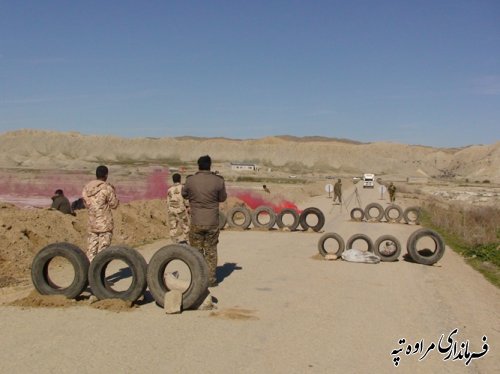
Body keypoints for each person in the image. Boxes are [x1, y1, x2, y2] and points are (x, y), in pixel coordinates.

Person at [182, 155, 227, 287]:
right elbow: (222, 198)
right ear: (210, 165)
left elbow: (184, 194)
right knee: (211, 250)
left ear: (198, 165)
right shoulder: (218, 181)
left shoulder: (190, 180)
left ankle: (198, 279)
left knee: (196, 251)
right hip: (212, 221)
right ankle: (211, 279)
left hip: (196, 221)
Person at [82, 165, 119, 261]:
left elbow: (86, 205)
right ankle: (98, 274)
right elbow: (114, 205)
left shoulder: (87, 188)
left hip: (92, 223)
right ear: (106, 175)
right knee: (103, 253)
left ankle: (88, 273)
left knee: (91, 250)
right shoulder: (106, 188)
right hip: (104, 224)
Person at [167, 173, 190, 244]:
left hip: (171, 210)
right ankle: (186, 241)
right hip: (180, 210)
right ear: (180, 179)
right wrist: (188, 206)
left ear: (173, 180)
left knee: (173, 227)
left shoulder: (169, 190)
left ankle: (174, 242)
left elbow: (168, 201)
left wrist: (169, 209)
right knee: (185, 226)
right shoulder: (183, 188)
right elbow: (186, 199)